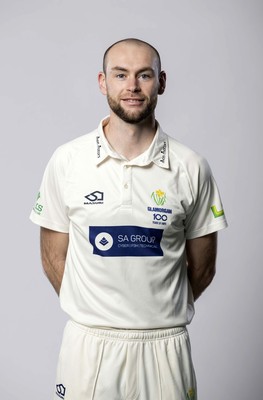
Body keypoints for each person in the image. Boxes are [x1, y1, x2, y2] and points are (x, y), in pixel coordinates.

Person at [30, 38, 227, 400]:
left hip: (164, 346)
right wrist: (95, 310)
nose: (132, 87)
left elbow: (203, 269)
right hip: (89, 346)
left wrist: (155, 311)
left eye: (144, 75)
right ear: (103, 82)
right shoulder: (67, 161)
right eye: (120, 75)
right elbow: (53, 256)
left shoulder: (191, 166)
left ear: (161, 82)